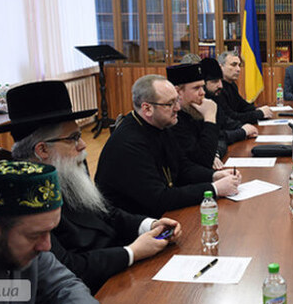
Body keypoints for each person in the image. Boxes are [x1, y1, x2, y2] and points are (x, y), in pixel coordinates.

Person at [0, 81, 181, 294]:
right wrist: (131, 252)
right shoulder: (22, 199)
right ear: (42, 149)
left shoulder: (67, 166)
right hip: (94, 287)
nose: (83, 145)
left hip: (117, 268)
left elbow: (105, 212)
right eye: (73, 138)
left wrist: (149, 225)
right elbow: (66, 267)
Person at [95, 74, 241, 218]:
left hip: (160, 214)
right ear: (147, 109)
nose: (177, 108)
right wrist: (215, 189)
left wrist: (214, 176)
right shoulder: (129, 143)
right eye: (170, 104)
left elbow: (183, 167)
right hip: (136, 225)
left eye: (177, 100)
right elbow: (159, 198)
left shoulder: (161, 125)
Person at [0, 160, 104, 304]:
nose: (47, 246)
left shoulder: (21, 246)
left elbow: (63, 285)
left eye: (49, 231)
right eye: (34, 235)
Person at [168, 63, 256, 171]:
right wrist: (209, 117)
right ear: (177, 92)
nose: (203, 93)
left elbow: (220, 138)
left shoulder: (194, 110)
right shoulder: (172, 121)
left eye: (202, 87)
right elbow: (204, 160)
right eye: (196, 88)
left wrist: (216, 153)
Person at [199, 57, 257, 168]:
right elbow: (218, 135)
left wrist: (243, 127)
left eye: (220, 80)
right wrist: (242, 131)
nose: (220, 85)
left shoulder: (214, 97)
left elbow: (225, 122)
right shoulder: (197, 106)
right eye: (215, 81)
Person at [217, 51, 273, 124]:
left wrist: (258, 109)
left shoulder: (232, 84)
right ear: (221, 67)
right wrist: (259, 113)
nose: (238, 69)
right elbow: (231, 117)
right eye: (233, 65)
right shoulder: (217, 89)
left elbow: (242, 106)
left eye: (239, 65)